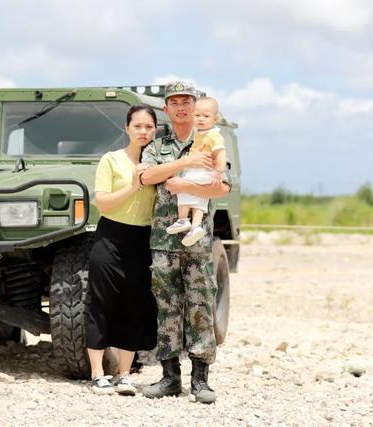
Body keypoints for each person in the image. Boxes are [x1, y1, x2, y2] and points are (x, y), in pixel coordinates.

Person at [139, 82, 231, 404]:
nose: (181, 107)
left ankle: (201, 381)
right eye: (174, 102)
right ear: (166, 108)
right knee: (166, 307)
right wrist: (183, 165)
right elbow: (146, 177)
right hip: (164, 239)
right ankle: (169, 378)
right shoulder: (157, 146)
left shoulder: (209, 141)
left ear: (195, 107)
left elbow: (223, 187)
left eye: (186, 102)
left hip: (197, 240)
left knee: (200, 306)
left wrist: (187, 184)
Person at [85, 104, 158, 396]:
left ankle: (125, 374)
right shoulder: (111, 160)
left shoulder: (158, 163)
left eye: (149, 126)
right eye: (137, 126)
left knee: (135, 303)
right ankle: (97, 373)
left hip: (142, 237)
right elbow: (102, 203)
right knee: (100, 302)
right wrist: (134, 184)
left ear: (155, 130)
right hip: (110, 236)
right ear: (126, 128)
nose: (143, 131)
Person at [165, 97, 226, 246]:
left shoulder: (213, 135)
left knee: (182, 188)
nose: (201, 119)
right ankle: (195, 226)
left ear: (215, 118)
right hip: (201, 171)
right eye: (198, 115)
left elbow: (221, 153)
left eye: (206, 116)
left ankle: (183, 219)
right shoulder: (200, 133)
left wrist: (219, 171)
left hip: (203, 171)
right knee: (199, 200)